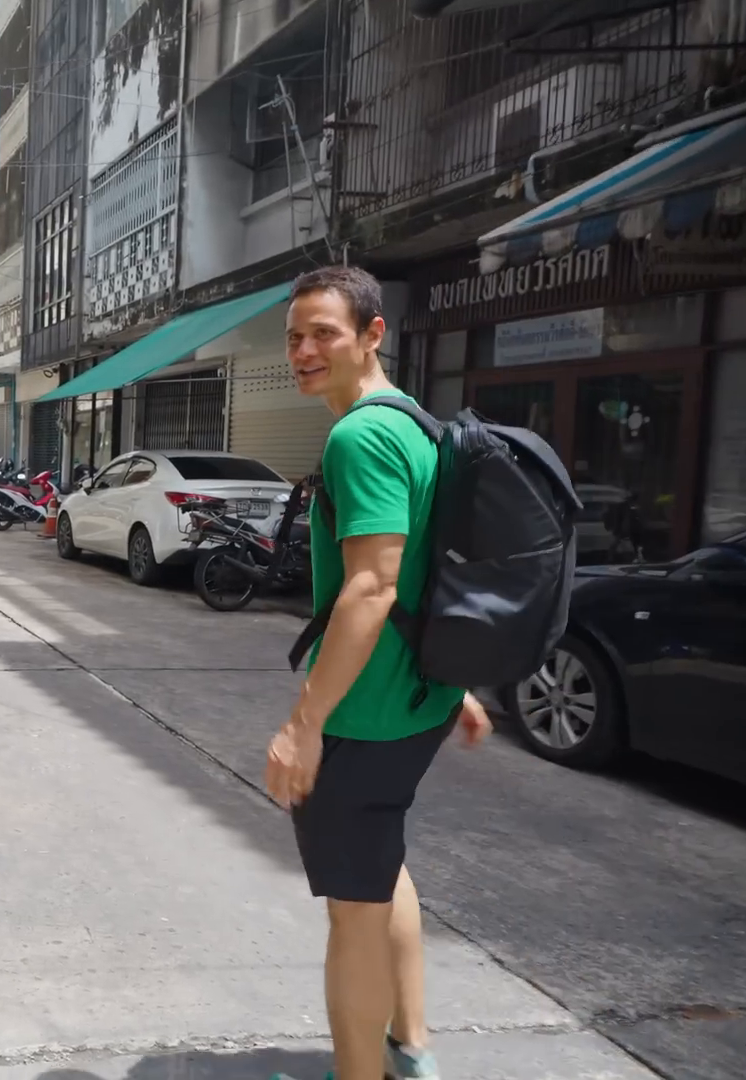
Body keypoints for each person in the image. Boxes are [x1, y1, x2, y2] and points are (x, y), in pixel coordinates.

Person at [264, 265, 492, 1080]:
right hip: (419, 697)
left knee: (354, 914)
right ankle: (411, 1045)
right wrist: (454, 680)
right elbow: (429, 566)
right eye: (294, 335)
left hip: (366, 714)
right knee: (380, 865)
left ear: (371, 335)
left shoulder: (360, 435)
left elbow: (374, 584)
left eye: (323, 332)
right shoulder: (415, 426)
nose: (303, 349)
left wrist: (304, 724)